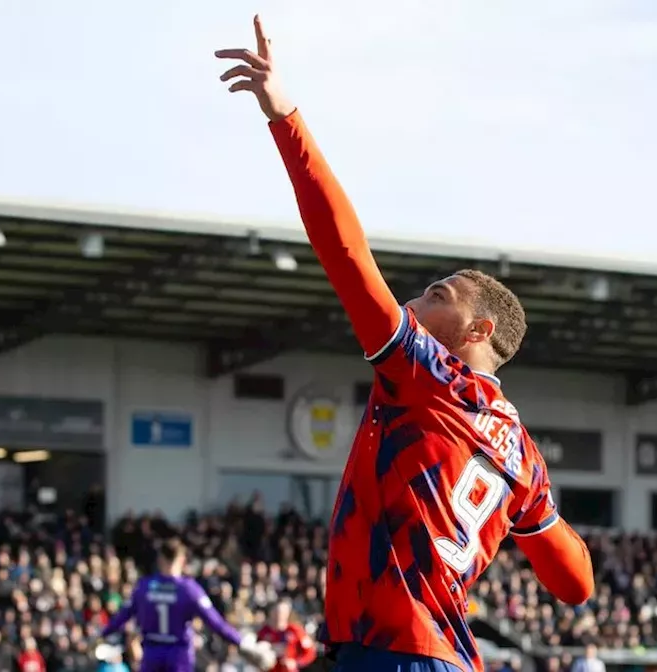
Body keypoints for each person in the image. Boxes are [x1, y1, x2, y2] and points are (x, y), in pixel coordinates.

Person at [217, 17, 596, 672]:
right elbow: (576, 584)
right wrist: (537, 519)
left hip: (398, 654)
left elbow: (344, 252)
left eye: (439, 294)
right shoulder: (524, 455)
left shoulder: (426, 372)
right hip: (431, 655)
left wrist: (286, 118)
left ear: (478, 334)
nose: (417, 301)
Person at [99, 539, 275, 672]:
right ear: (182, 560)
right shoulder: (188, 589)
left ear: (160, 559)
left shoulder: (144, 587)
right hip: (178, 654)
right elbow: (216, 623)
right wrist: (242, 642)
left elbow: (122, 616)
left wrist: (101, 634)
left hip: (152, 653)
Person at [256, 600, 317, 670]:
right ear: (271, 613)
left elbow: (310, 652)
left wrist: (296, 662)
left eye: (283, 613)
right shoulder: (263, 632)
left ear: (288, 614)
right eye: (277, 612)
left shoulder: (296, 631)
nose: (279, 615)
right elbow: (255, 653)